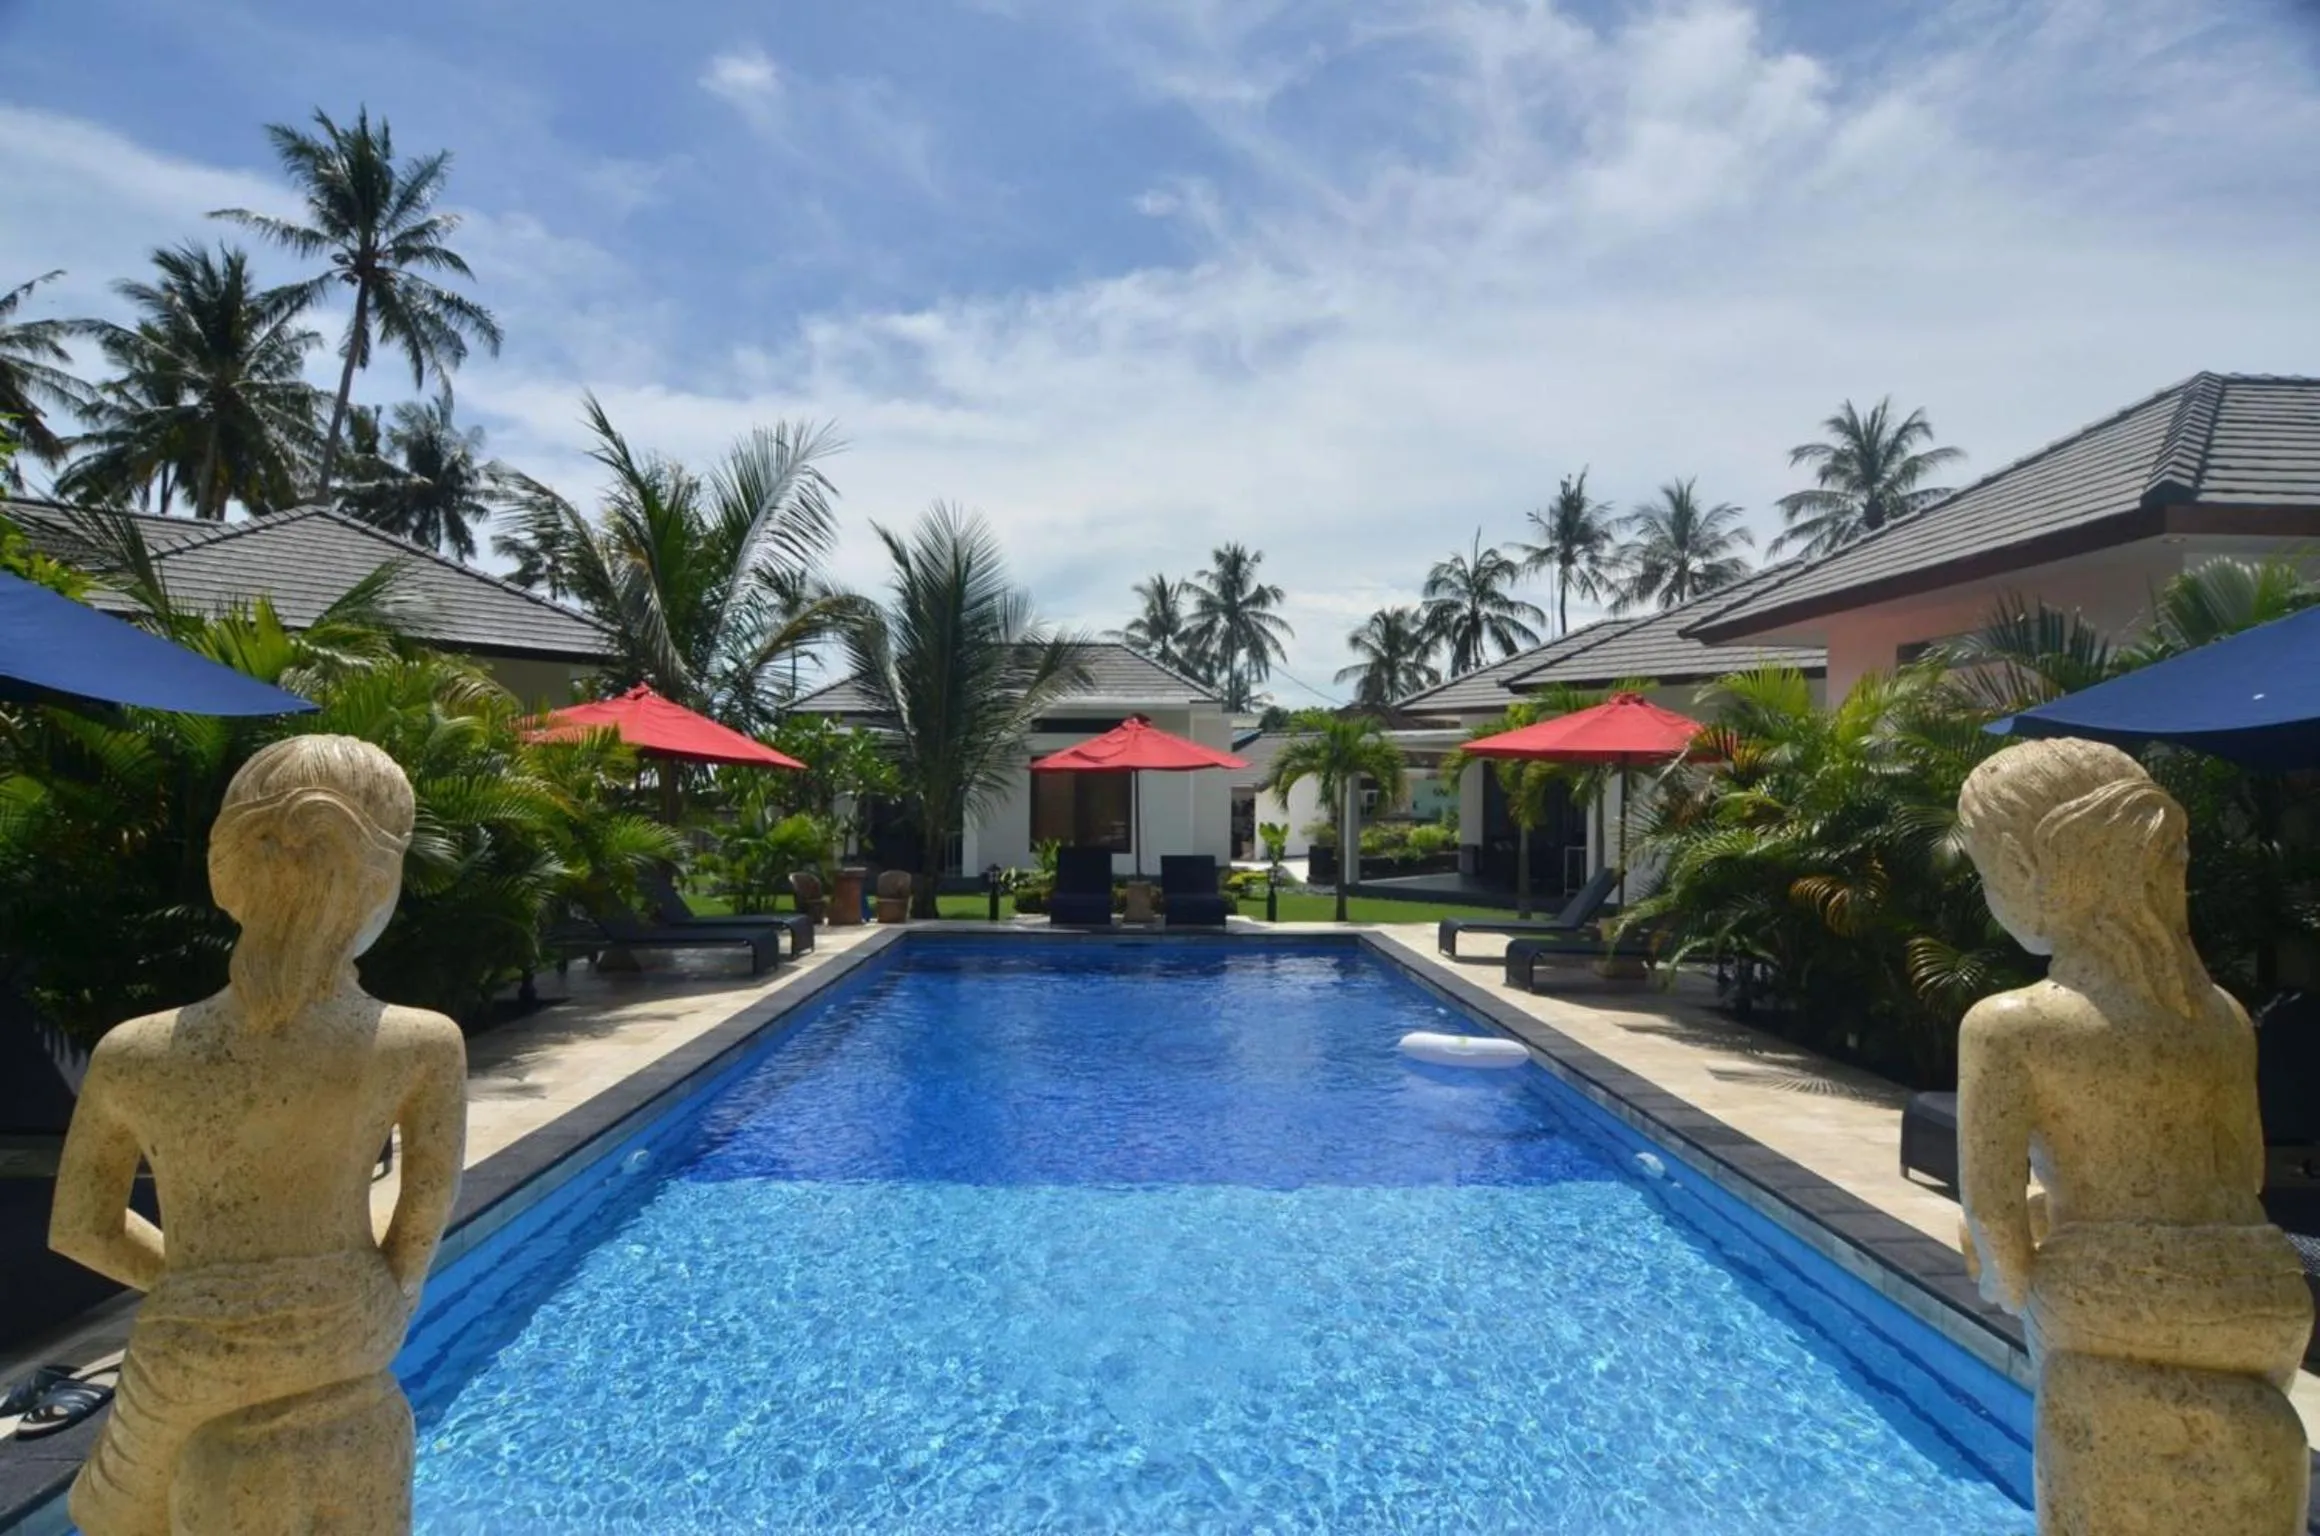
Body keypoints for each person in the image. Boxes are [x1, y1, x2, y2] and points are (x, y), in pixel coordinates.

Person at [50, 735, 467, 1536]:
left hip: (188, 1349)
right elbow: (425, 1206)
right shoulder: (421, 1044)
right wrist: (384, 1298)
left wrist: (207, 1295)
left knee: (103, 1511)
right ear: (380, 885)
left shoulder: (133, 1053)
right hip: (351, 1325)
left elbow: (80, 1228)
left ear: (223, 875)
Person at [1955, 739, 2309, 1534]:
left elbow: (1995, 1219)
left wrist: (2009, 1274)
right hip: (2260, 1298)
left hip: (2106, 1297)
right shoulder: (2222, 1017)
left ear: (2027, 869)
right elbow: (2241, 1174)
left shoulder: (2011, 1026)